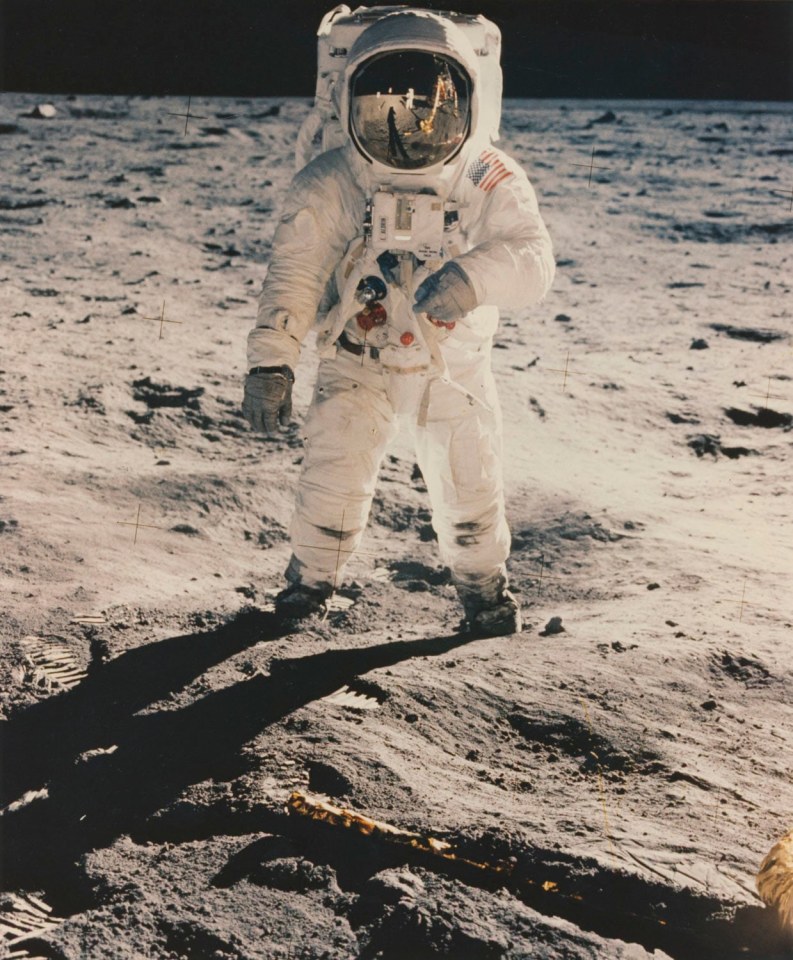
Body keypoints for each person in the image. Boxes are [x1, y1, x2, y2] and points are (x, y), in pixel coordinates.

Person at [243, 8, 555, 636]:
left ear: (464, 102)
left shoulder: (484, 174)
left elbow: (533, 256)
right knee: (334, 473)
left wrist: (471, 280)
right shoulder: (335, 179)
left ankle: (484, 591)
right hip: (356, 356)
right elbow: (297, 273)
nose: (409, 126)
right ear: (350, 100)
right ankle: (309, 586)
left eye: (432, 106)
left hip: (452, 364)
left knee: (469, 482)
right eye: (383, 106)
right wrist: (272, 362)